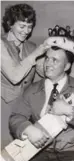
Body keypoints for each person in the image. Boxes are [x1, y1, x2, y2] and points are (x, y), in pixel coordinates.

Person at [9, 27, 74, 161]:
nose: (48, 64)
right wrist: (27, 129)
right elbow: (16, 117)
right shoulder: (32, 89)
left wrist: (70, 111)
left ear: (67, 67)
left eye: (55, 60)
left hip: (72, 152)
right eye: (47, 58)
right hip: (38, 151)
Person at [1, 3, 51, 149]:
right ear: (10, 24)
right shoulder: (1, 44)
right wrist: (36, 55)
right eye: (22, 26)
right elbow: (15, 76)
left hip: (24, 107)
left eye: (29, 26)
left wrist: (55, 53)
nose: (26, 31)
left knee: (20, 149)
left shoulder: (31, 46)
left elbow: (44, 72)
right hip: (3, 106)